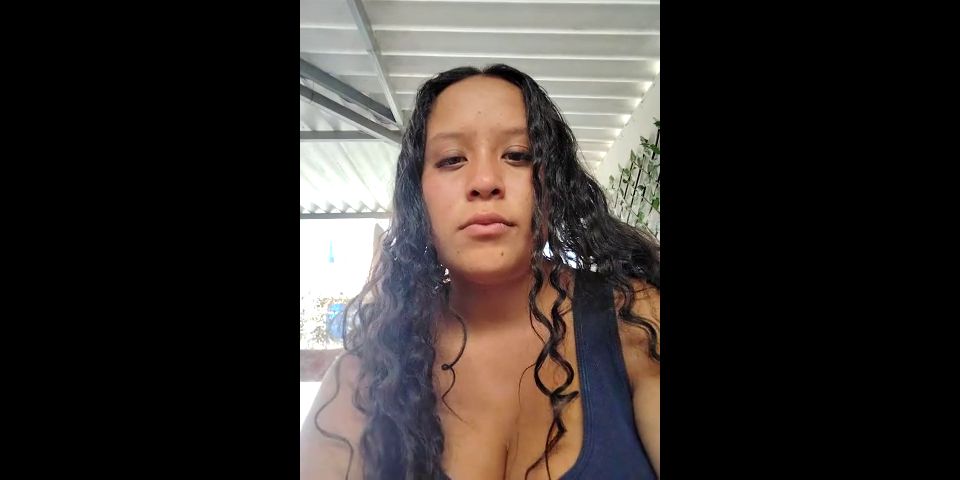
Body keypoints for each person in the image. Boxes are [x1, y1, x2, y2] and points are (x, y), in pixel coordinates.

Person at [300, 64, 660, 480]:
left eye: (518, 155)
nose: (486, 181)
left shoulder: (639, 321)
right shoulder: (359, 382)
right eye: (452, 159)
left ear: (555, 185)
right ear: (418, 197)